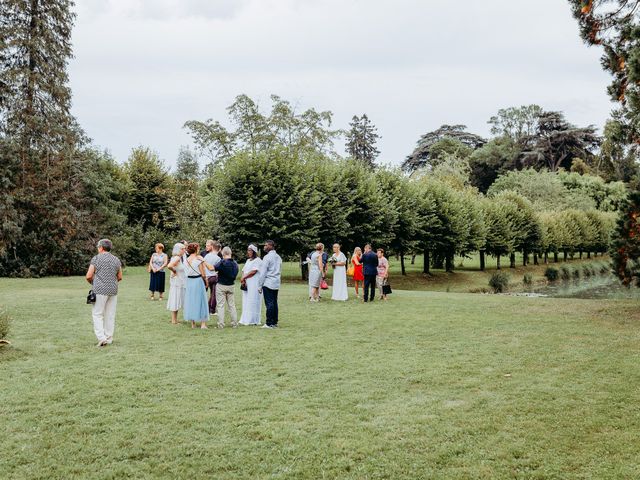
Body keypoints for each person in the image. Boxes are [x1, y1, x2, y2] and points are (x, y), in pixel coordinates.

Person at [85, 239, 122, 347]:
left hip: (100, 290)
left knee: (97, 314)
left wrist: (93, 282)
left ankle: (101, 338)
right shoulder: (116, 259)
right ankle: (109, 337)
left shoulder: (96, 258)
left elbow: (88, 275)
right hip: (113, 290)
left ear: (101, 247)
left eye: (98, 247)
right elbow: (119, 276)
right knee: (110, 315)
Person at [183, 242, 209, 329]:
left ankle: (193, 324)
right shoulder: (198, 259)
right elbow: (203, 273)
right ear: (196, 249)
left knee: (191, 301)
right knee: (201, 301)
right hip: (198, 281)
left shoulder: (186, 260)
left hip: (189, 281)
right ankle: (203, 324)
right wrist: (206, 281)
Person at [259, 240, 282, 329]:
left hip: (268, 282)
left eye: (266, 245)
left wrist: (260, 285)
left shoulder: (267, 257)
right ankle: (274, 321)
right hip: (276, 282)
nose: (264, 247)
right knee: (274, 302)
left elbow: (263, 272)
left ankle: (269, 323)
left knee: (269, 303)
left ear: (271, 246)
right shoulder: (278, 257)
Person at [215, 247, 239, 328]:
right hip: (231, 285)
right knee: (232, 305)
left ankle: (221, 324)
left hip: (221, 285)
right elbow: (235, 273)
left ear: (223, 254)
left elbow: (214, 267)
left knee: (220, 305)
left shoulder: (222, 262)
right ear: (230, 253)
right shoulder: (235, 263)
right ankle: (234, 323)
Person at [239, 244, 263, 325]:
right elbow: (243, 270)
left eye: (250, 250)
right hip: (247, 283)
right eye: (248, 250)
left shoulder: (258, 260)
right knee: (246, 300)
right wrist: (243, 279)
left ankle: (253, 319)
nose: (248, 252)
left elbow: (253, 271)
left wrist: (244, 277)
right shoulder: (248, 261)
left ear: (254, 252)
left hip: (254, 283)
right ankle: (245, 318)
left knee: (253, 300)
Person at [166, 243, 186, 325]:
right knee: (175, 299)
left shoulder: (177, 257)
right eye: (183, 248)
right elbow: (169, 266)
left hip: (178, 281)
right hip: (177, 281)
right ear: (179, 249)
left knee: (176, 299)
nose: (185, 250)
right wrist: (174, 271)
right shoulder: (177, 258)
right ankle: (174, 320)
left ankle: (175, 319)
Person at [203, 240, 222, 317]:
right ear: (219, 249)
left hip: (206, 277)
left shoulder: (206, 256)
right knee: (213, 294)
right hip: (214, 277)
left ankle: (204, 308)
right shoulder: (218, 258)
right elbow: (218, 269)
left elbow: (204, 267)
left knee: (204, 293)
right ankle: (211, 310)